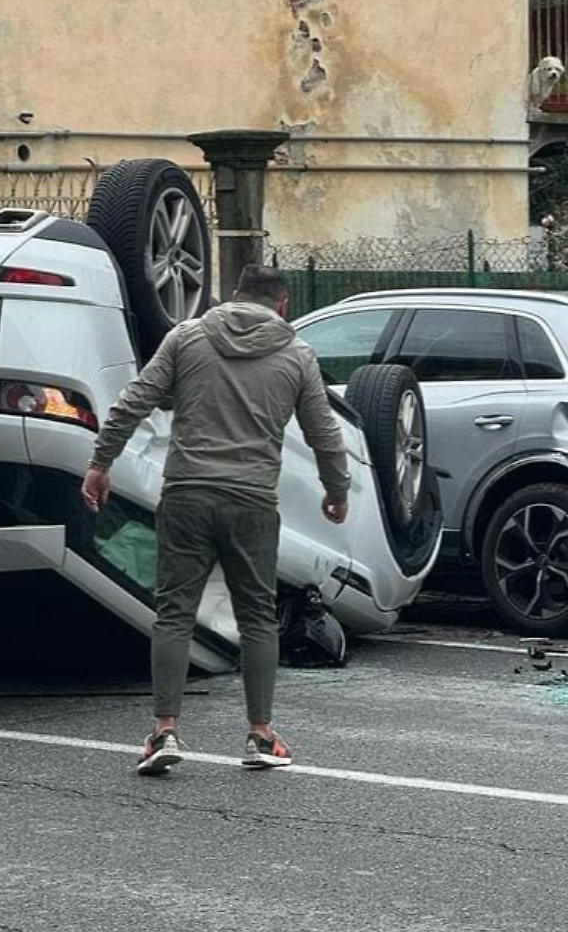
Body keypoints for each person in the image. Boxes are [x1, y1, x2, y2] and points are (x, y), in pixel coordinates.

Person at [80, 264, 350, 775]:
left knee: (174, 613)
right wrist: (336, 491)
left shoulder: (187, 337)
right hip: (251, 500)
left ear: (232, 297)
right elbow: (324, 434)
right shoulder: (297, 354)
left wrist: (100, 463)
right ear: (284, 306)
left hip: (187, 493)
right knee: (257, 617)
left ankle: (164, 730)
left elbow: (134, 401)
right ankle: (261, 736)